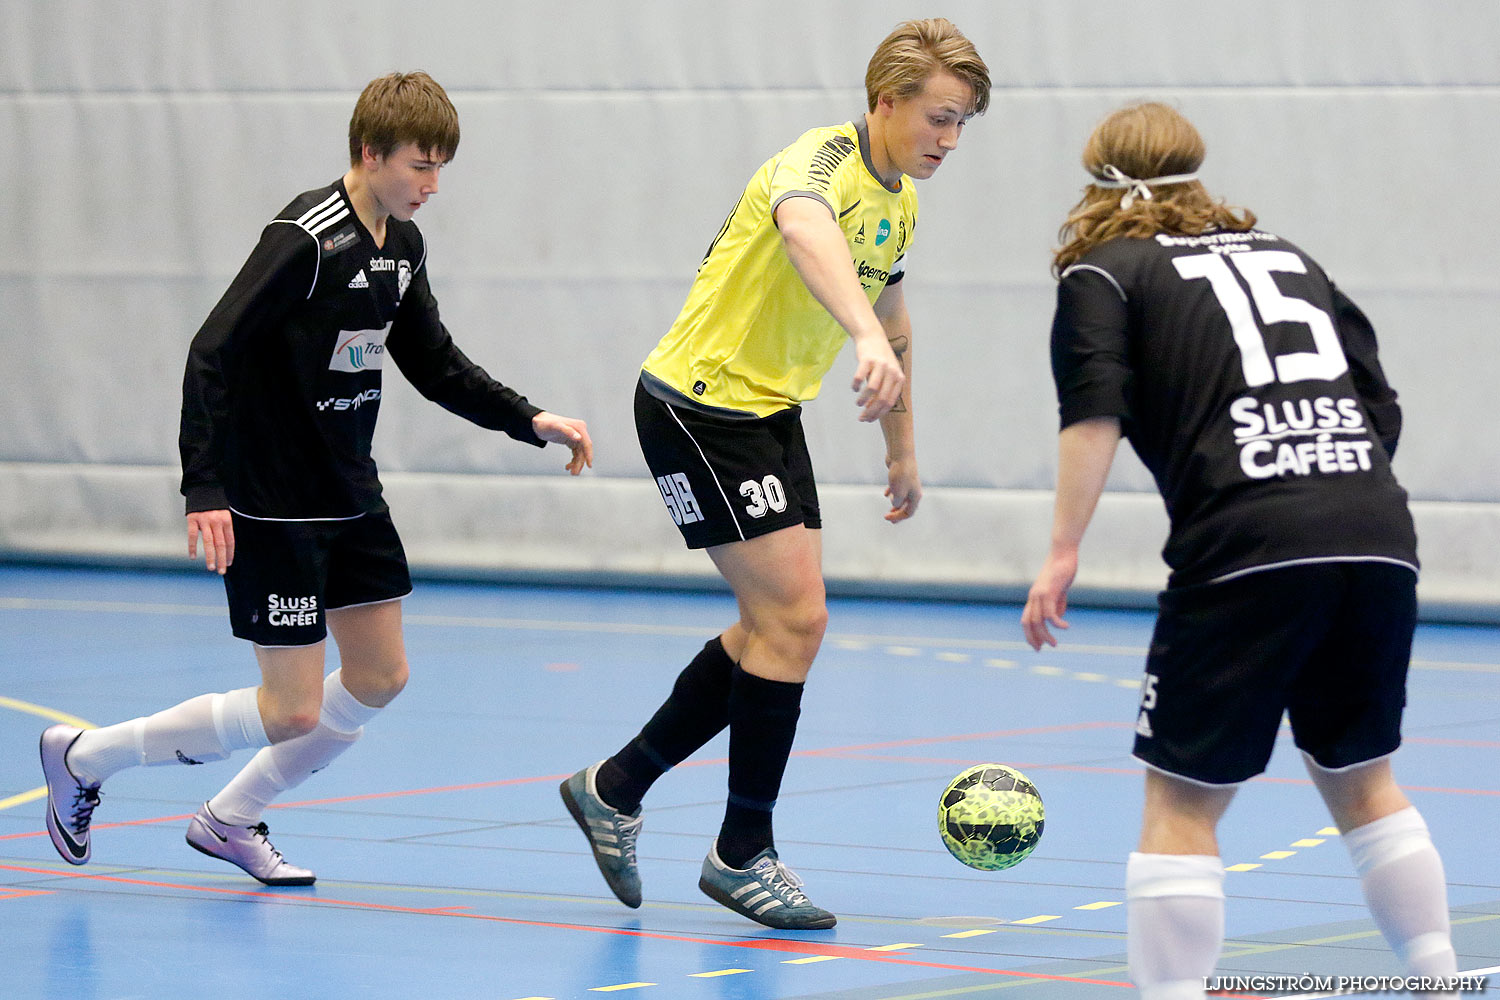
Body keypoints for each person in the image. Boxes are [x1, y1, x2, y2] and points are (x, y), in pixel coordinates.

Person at [39, 71, 593, 886]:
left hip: (350, 493)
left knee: (378, 678)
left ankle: (228, 819)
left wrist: (529, 419)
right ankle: (85, 757)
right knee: (291, 709)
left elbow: (433, 364)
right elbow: (212, 352)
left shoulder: (402, 246)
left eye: (441, 168)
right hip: (273, 502)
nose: (432, 186)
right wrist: (205, 487)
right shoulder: (305, 239)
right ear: (370, 154)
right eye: (419, 166)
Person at [558, 18, 990, 930]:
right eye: (940, 119)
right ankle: (741, 850)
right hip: (699, 408)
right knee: (796, 620)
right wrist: (864, 337)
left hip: (766, 413)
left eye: (963, 125)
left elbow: (894, 314)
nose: (950, 140)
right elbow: (804, 233)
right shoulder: (817, 163)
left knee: (773, 626)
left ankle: (616, 786)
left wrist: (902, 446)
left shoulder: (900, 199)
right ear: (887, 101)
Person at [1021, 102, 1458, 998]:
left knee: (1179, 801)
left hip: (1246, 542)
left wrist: (1062, 550)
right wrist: (1333, 501)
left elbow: (1092, 413)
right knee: (1362, 777)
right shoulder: (1291, 257)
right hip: (1376, 528)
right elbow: (1380, 405)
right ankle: (1439, 978)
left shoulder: (1105, 275)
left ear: (1096, 174)